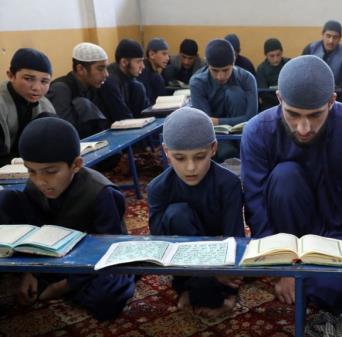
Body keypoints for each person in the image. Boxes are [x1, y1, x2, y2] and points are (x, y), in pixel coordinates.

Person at [241, 55, 342, 314]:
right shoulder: (258, 131)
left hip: (341, 235)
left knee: (326, 292)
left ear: (332, 101)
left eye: (315, 115)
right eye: (293, 115)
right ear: (280, 98)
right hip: (289, 232)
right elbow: (256, 206)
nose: (303, 128)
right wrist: (279, 267)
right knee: (285, 176)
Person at [0, 117, 135, 320]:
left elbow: (108, 251)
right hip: (55, 252)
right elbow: (34, 237)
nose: (40, 181)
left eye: (51, 172)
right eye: (31, 171)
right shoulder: (34, 187)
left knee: (107, 297)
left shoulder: (101, 193)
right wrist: (30, 273)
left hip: (95, 258)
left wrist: (60, 287)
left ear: (76, 165)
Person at [147, 107, 244, 318]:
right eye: (180, 158)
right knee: (176, 215)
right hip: (184, 263)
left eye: (199, 157)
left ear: (213, 148)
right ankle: (187, 288)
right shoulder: (158, 188)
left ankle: (225, 294)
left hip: (222, 260)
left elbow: (234, 237)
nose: (191, 168)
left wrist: (222, 274)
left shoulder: (228, 184)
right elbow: (159, 243)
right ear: (166, 152)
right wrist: (208, 275)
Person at [189, 39, 257, 162]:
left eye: (226, 70)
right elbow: (205, 123)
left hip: (244, 134)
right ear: (207, 64)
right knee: (228, 153)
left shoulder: (247, 79)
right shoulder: (197, 82)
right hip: (215, 137)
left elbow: (251, 119)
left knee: (235, 94)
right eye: (214, 70)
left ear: (234, 62)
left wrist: (217, 121)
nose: (220, 76)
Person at [0, 48, 55, 166]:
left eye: (44, 81)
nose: (36, 88)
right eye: (28, 79)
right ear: (11, 75)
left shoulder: (45, 106)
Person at [47, 42, 110, 138]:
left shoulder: (92, 86)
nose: (106, 74)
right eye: (100, 69)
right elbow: (64, 133)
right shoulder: (60, 89)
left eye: (106, 68)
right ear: (80, 69)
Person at [98, 39, 148, 122]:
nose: (143, 66)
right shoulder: (110, 82)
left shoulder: (132, 80)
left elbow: (146, 112)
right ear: (124, 62)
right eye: (138, 61)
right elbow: (123, 118)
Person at [302, 20, 342, 88]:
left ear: (340, 38)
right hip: (310, 90)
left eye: (335, 37)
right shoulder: (310, 49)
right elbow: (302, 73)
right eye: (328, 36)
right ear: (322, 35)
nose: (331, 41)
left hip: (334, 93)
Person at [256, 38, 290, 111]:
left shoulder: (289, 64)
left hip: (289, 101)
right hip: (270, 105)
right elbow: (263, 93)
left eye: (278, 55)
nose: (276, 59)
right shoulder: (261, 69)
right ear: (266, 55)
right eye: (272, 56)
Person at [138, 37, 169, 104]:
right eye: (164, 54)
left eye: (167, 54)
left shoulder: (155, 73)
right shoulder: (143, 73)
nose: (167, 58)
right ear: (152, 54)